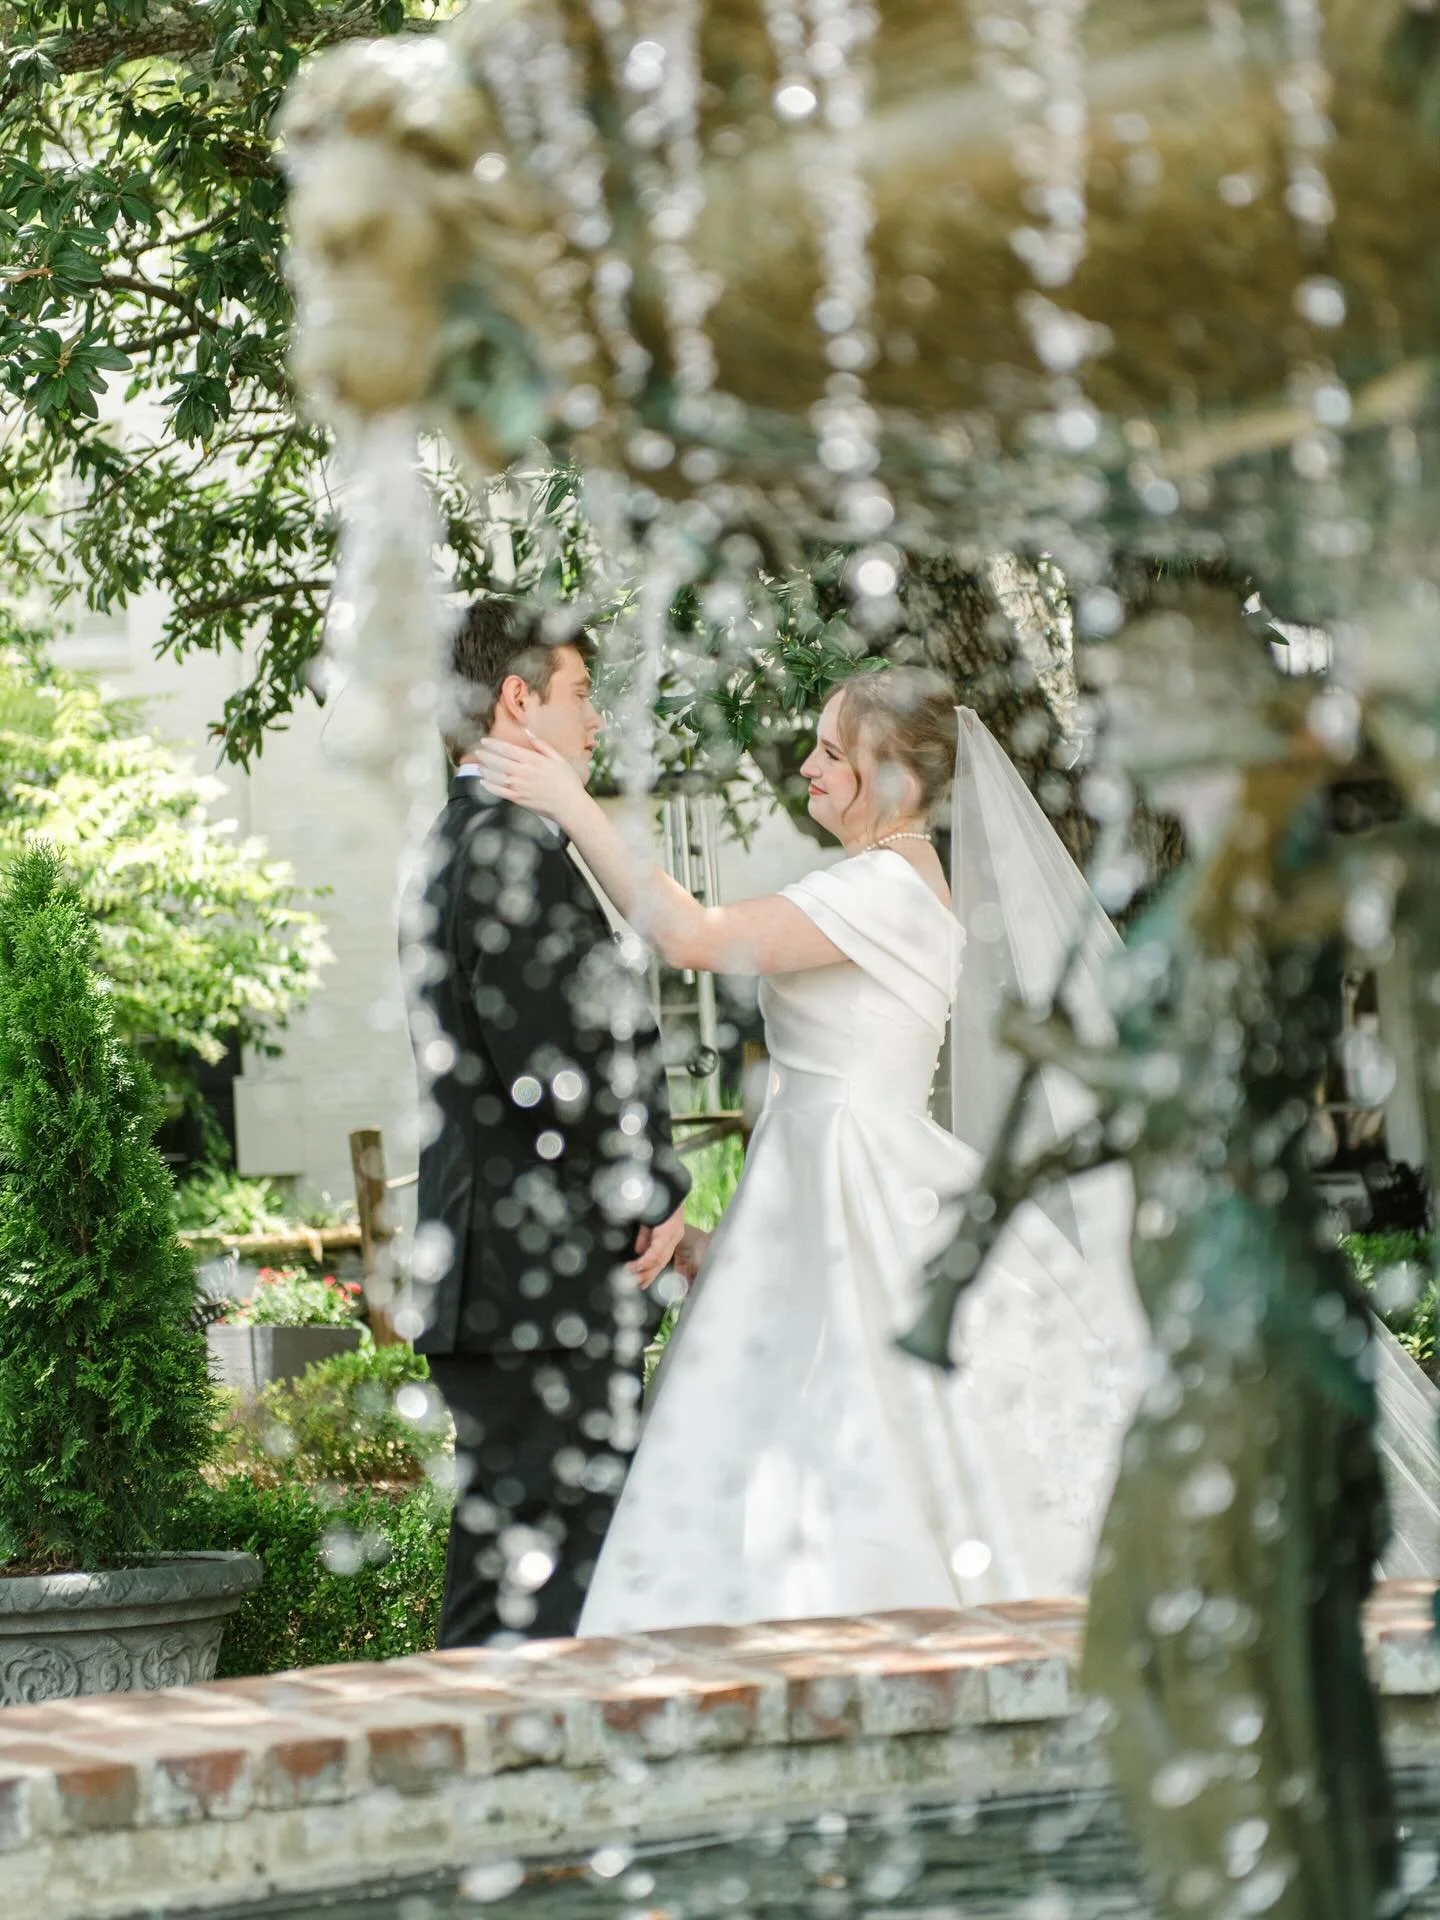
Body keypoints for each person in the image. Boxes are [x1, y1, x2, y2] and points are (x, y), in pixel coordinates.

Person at [476, 664, 1440, 1630]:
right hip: (831, 1187)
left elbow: (692, 936)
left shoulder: (889, 887)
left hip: (873, 1196)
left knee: (878, 1450)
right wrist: (726, 1238)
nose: (805, 769)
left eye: (830, 752)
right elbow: (809, 1102)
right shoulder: (877, 881)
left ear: (891, 779)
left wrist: (571, 799)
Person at [401, 599, 689, 1646]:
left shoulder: (474, 837)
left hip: (512, 1277)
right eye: (579, 695)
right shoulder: (508, 849)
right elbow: (556, 1077)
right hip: (532, 1284)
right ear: (518, 699)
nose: (595, 722)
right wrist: (650, 1196)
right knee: (528, 1596)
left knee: (537, 1583)